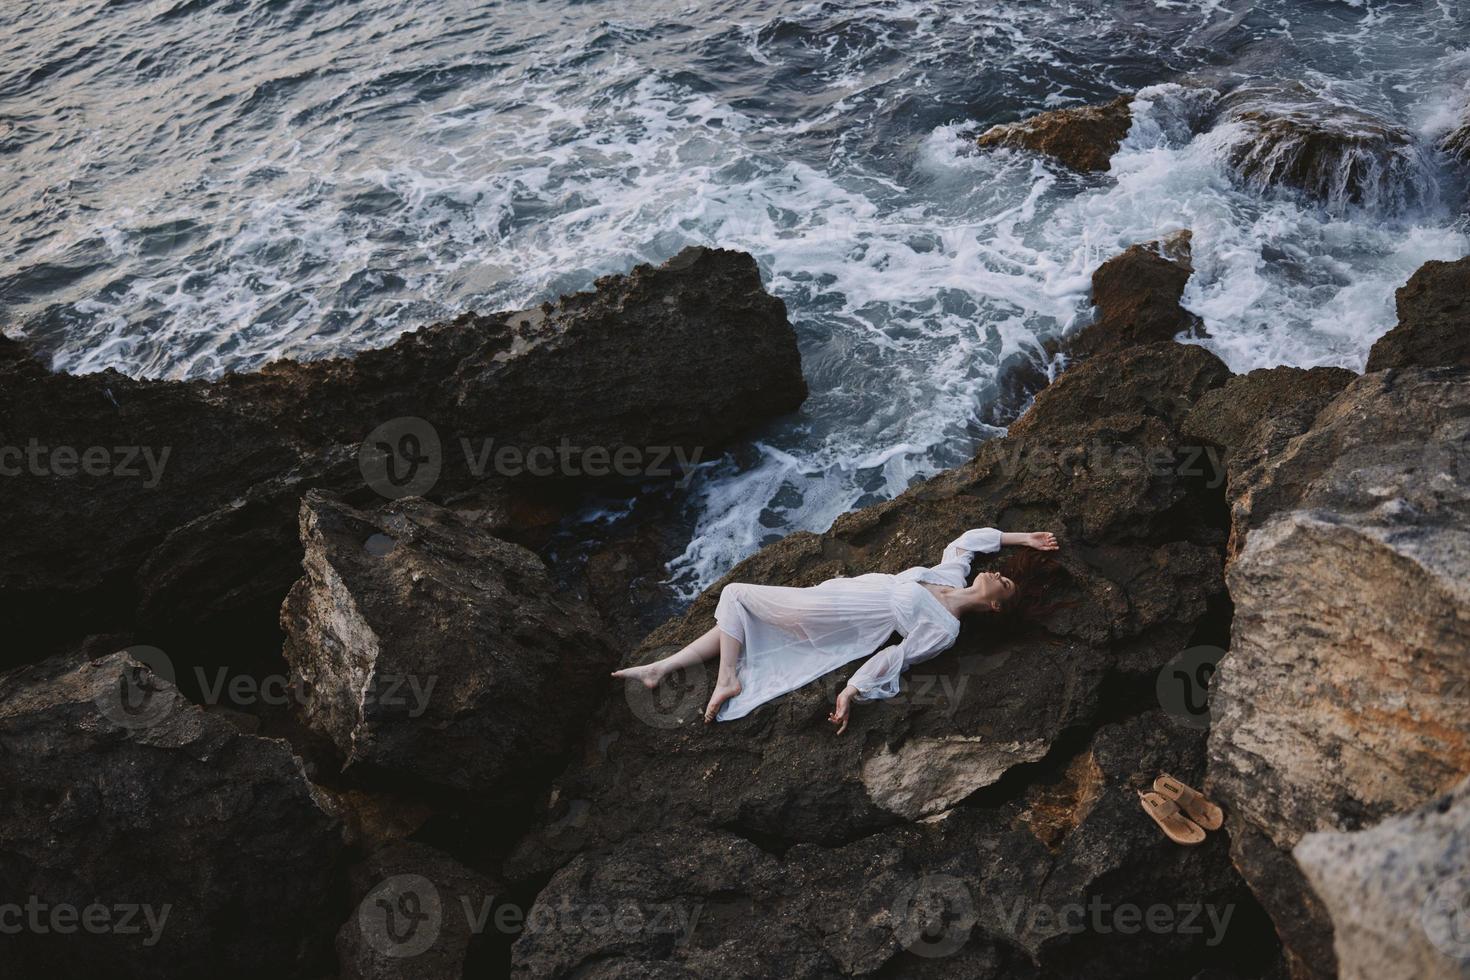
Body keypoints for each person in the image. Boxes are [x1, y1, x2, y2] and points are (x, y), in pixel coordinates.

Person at [612, 527, 1061, 731]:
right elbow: (965, 540)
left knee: (736, 596)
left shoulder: (944, 630)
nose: (997, 574)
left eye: (1003, 582)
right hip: (835, 599)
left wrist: (851, 691)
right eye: (1002, 572)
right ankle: (661, 669)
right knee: (742, 620)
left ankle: (728, 678)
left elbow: (895, 658)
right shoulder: (950, 577)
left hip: (834, 617)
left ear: (997, 607)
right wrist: (1022, 539)